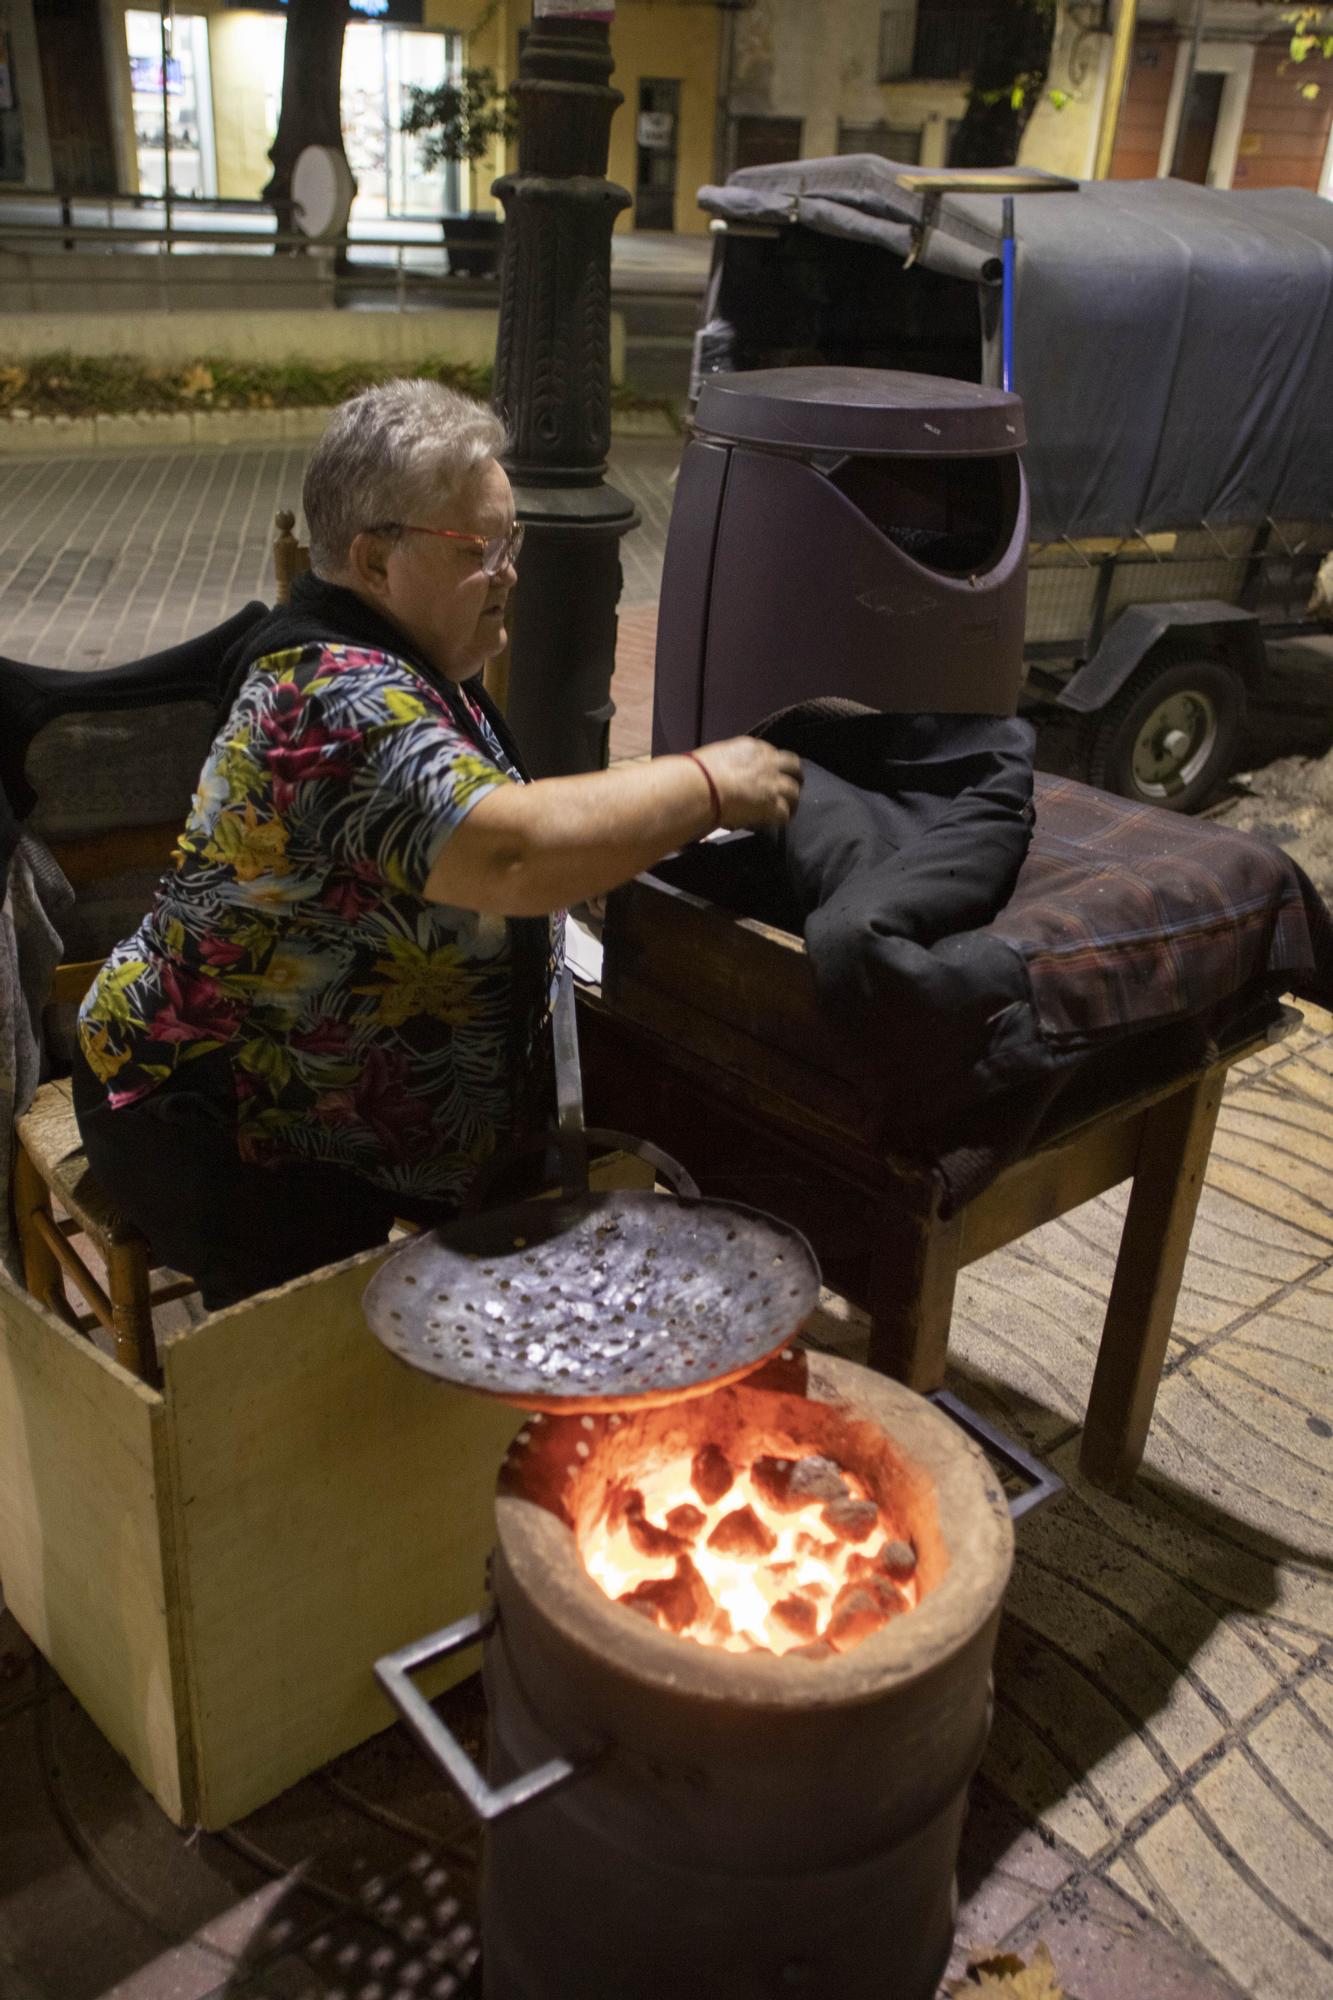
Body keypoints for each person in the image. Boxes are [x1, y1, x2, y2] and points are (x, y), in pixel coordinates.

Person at [72, 380, 800, 1310]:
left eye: (513, 544)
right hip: (221, 1123)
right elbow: (508, 856)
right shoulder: (330, 699)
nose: (510, 573)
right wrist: (709, 784)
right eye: (481, 550)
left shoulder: (409, 659)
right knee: (322, 1378)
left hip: (332, 1096)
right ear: (375, 563)